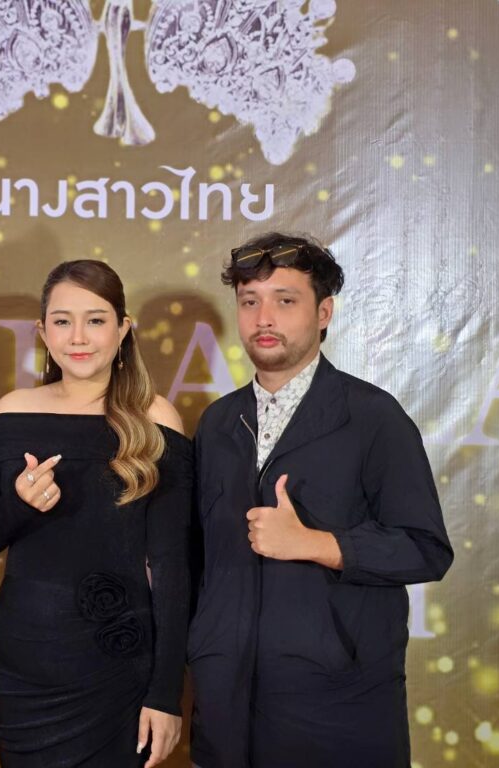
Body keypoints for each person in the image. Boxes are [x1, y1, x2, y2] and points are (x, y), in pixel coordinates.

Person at [188, 233, 454, 768]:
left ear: (324, 312)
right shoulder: (218, 423)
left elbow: (425, 549)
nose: (264, 318)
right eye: (249, 302)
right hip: (225, 707)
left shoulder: (373, 417)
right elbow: (200, 560)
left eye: (285, 301)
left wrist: (315, 543)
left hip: (337, 710)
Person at [0, 260, 192, 767]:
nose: (78, 337)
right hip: (21, 665)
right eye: (63, 321)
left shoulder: (155, 418)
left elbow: (173, 568)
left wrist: (164, 693)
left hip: (116, 670)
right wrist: (19, 504)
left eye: (96, 320)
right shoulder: (12, 411)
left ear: (123, 329)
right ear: (43, 331)